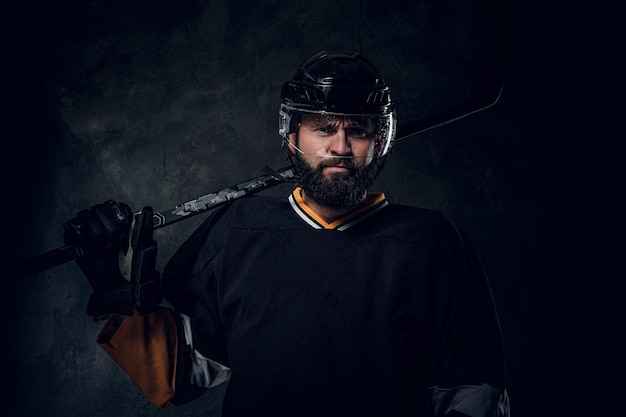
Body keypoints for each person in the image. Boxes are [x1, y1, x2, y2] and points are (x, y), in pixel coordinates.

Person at [63, 50, 510, 417]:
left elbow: (474, 395)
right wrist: (114, 291)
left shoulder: (431, 244)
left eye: (357, 130)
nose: (339, 146)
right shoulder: (238, 231)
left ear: (380, 139)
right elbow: (177, 376)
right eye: (323, 128)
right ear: (293, 133)